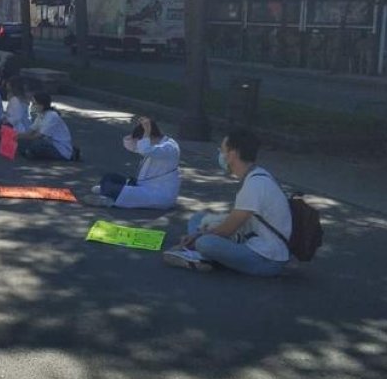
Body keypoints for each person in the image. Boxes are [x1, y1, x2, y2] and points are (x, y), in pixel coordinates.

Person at [164, 127, 291, 276]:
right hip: (254, 242)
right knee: (198, 218)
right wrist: (203, 231)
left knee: (205, 243)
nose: (220, 155)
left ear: (232, 154)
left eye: (222, 150)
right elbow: (235, 220)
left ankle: (199, 255)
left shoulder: (254, 185)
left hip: (267, 259)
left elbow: (228, 229)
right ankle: (200, 256)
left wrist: (197, 236)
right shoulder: (257, 175)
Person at [83, 116, 181, 209]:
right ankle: (109, 192)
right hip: (142, 185)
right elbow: (130, 145)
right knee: (109, 177)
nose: (139, 143)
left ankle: (109, 200)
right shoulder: (153, 144)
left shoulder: (169, 147)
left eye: (143, 139)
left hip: (157, 194)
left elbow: (145, 149)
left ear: (150, 136)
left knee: (112, 188)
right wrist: (140, 129)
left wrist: (146, 131)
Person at [18, 93, 78, 161]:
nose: (33, 106)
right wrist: (17, 136)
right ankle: (29, 151)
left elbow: (38, 136)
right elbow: (30, 131)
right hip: (49, 143)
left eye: (35, 104)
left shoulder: (52, 116)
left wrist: (20, 137)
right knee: (23, 142)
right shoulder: (41, 115)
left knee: (37, 144)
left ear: (42, 105)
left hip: (59, 148)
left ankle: (30, 152)